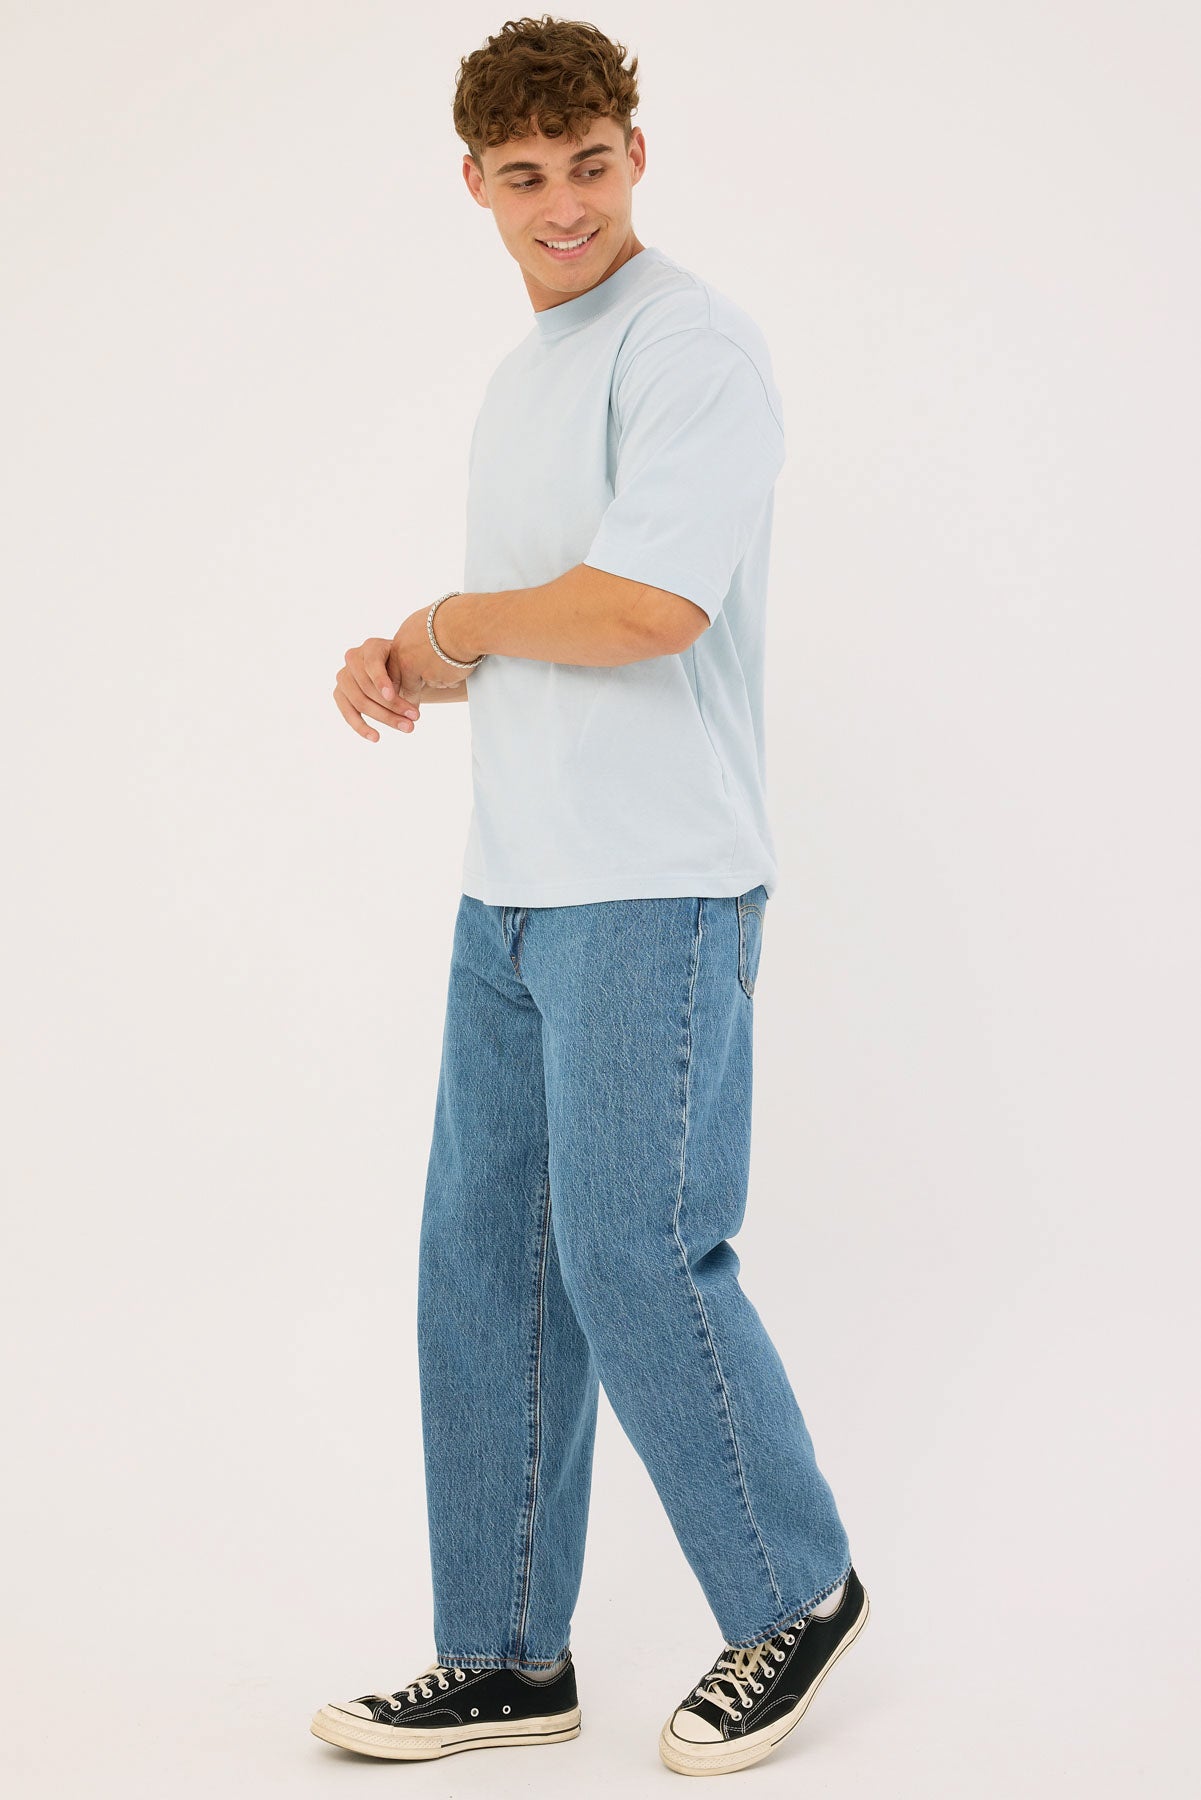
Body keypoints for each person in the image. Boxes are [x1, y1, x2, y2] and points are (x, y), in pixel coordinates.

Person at [313, 14, 868, 1778]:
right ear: (473, 184)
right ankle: (501, 1657)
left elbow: (644, 608)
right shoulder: (527, 372)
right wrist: (417, 663)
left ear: (639, 152)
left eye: (591, 163)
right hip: (514, 890)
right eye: (526, 174)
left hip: (654, 885)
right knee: (484, 1270)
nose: (563, 204)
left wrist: (455, 623)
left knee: (636, 1255)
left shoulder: (689, 343)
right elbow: (555, 627)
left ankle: (794, 1590)